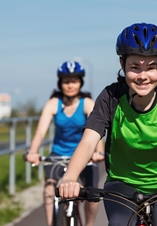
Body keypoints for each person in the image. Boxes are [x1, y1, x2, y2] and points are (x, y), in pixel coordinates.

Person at [57, 22, 157, 226]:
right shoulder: (111, 97)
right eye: (135, 67)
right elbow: (89, 141)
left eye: (151, 67)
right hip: (122, 184)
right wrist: (70, 178)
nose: (143, 76)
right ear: (122, 65)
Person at [26, 60, 104, 226]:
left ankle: (89, 224)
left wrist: (99, 151)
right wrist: (33, 152)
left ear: (80, 83)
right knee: (49, 189)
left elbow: (97, 131)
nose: (70, 85)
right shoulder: (53, 104)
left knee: (92, 193)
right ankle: (50, 224)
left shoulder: (87, 103)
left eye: (74, 81)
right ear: (60, 83)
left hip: (85, 156)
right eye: (66, 81)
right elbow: (40, 132)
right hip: (58, 154)